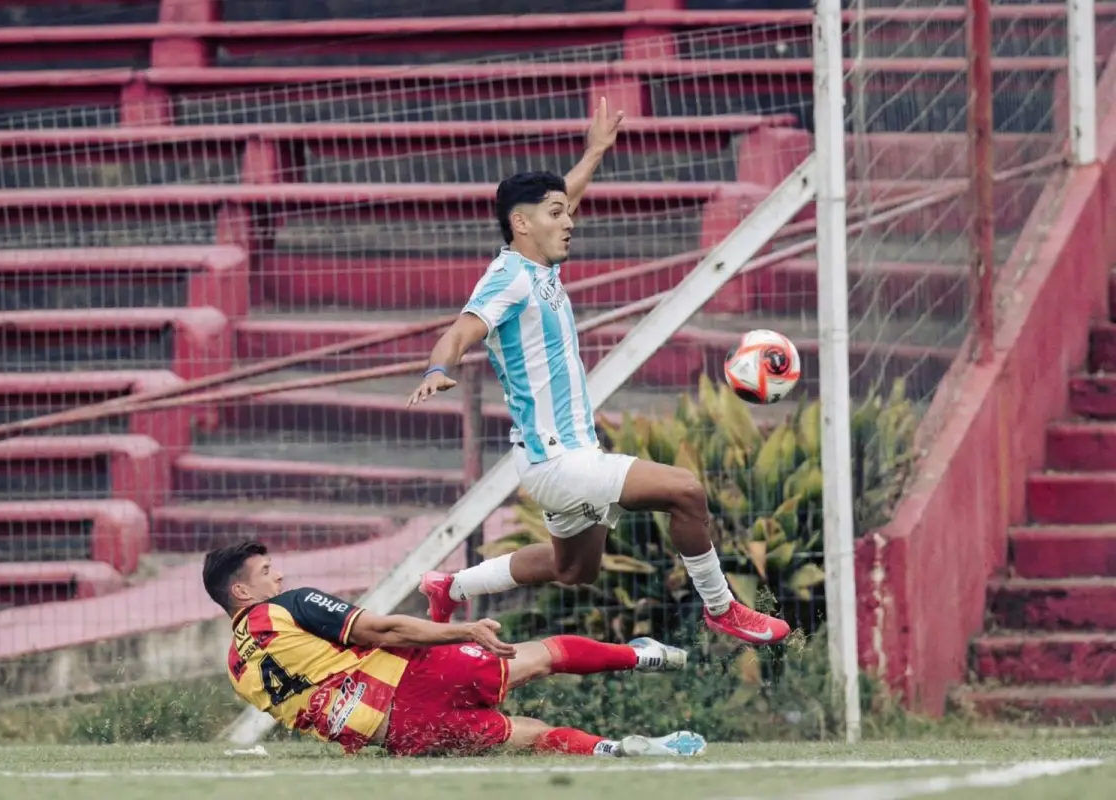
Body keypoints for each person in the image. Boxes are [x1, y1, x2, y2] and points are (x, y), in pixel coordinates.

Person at [405, 98, 791, 646]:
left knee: (573, 570)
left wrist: (596, 151)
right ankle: (722, 607)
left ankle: (450, 585)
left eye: (568, 211)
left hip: (558, 455)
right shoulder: (508, 278)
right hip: (557, 458)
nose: (571, 221)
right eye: (557, 214)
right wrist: (438, 368)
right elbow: (462, 330)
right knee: (684, 491)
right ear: (522, 223)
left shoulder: (535, 258)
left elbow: (570, 193)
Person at [204, 539, 707, 758]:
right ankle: (644, 656)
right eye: (268, 573)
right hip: (413, 678)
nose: (281, 575)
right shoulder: (288, 606)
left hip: (399, 735)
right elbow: (381, 631)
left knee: (533, 736)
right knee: (543, 656)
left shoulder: (235, 670)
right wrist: (461, 632)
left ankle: (615, 750)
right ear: (242, 593)